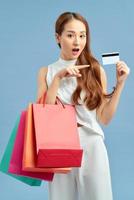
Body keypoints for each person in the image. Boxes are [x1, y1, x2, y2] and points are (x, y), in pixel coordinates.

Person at [37, 12, 130, 200]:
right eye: (70, 35)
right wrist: (57, 79)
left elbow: (104, 118)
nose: (77, 42)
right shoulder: (47, 72)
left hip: (92, 144)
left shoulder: (96, 70)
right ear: (58, 37)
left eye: (82, 35)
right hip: (59, 146)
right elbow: (44, 116)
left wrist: (120, 84)